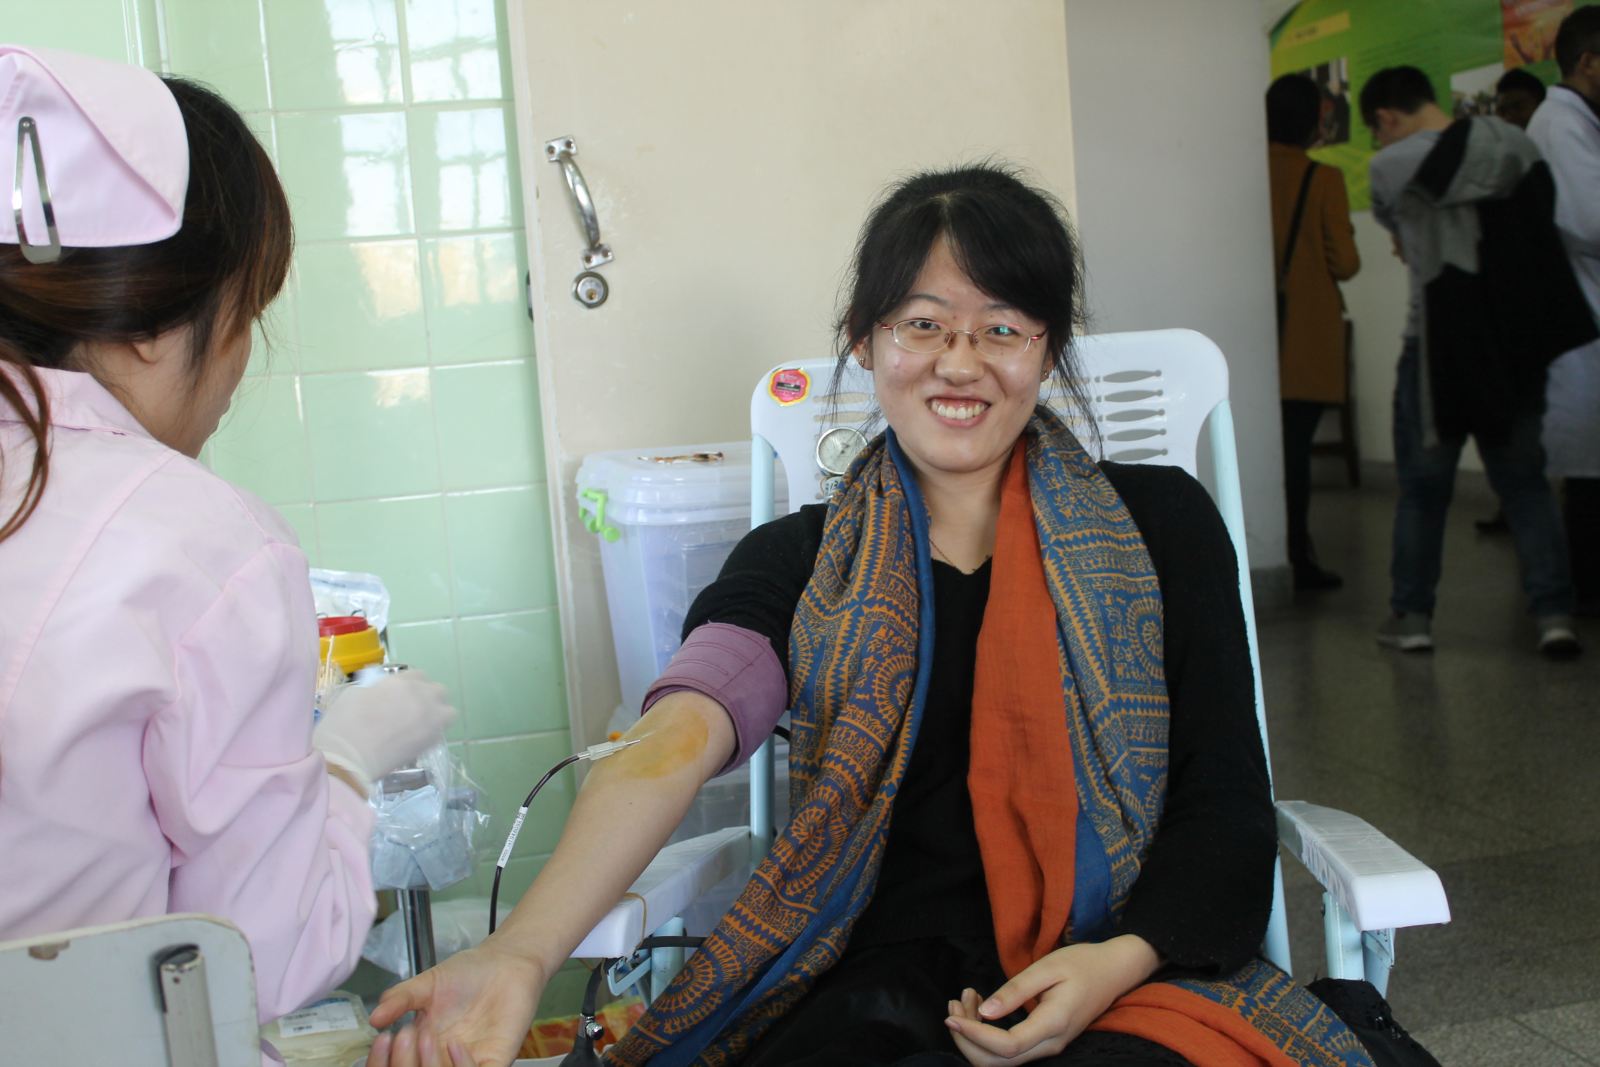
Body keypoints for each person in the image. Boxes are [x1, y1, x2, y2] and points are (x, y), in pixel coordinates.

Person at [366, 165, 1397, 1067]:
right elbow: (675, 736)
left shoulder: (1162, 523)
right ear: (864, 341)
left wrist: (1111, 963)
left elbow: (1226, 801)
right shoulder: (800, 562)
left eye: (1003, 327)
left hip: (1128, 972)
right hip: (877, 987)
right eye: (922, 323)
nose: (961, 361)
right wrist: (521, 949)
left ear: (1048, 350)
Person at [0, 45, 456, 1025]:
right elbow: (265, 958)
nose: (239, 364)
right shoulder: (197, 540)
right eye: (245, 314)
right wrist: (344, 766)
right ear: (149, 328)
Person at [1361, 65, 1594, 657]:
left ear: (1386, 118)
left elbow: (1400, 237)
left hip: (1434, 350)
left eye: (1376, 129)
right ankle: (1555, 616)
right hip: (1511, 345)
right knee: (1525, 485)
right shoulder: (1514, 146)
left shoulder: (1389, 166)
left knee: (1423, 491)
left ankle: (1413, 617)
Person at [1268, 74, 1361, 591]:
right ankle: (1297, 555)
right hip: (1304, 332)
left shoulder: (1247, 171)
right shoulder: (1322, 178)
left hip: (1256, 330)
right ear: (1313, 122)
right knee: (1296, 450)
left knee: (1266, 443)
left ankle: (1266, 549)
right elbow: (1345, 262)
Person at [1528, 7, 1600, 616]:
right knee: (1588, 476)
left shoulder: (1577, 121)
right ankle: (1586, 592)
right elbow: (1590, 221)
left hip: (1586, 316)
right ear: (1588, 62)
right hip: (1581, 323)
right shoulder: (1559, 126)